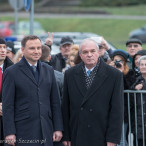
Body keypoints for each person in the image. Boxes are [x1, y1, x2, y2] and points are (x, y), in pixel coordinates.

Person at [2, 35, 63, 146]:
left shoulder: (48, 70)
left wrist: (58, 128)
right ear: (22, 50)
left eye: (38, 48)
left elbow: (55, 102)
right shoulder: (11, 72)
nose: (36, 51)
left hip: (46, 130)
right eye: (32, 48)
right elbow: (8, 105)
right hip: (23, 131)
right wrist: (9, 132)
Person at [62, 38, 124, 146]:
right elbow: (66, 107)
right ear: (80, 55)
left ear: (98, 52)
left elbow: (117, 110)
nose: (89, 55)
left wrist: (113, 138)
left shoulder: (114, 75)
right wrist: (66, 135)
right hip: (77, 133)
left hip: (102, 134)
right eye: (85, 52)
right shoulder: (70, 74)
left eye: (92, 51)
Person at [0, 38, 13, 146]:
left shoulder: (13, 69)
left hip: (8, 120)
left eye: (4, 47)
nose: (2, 50)